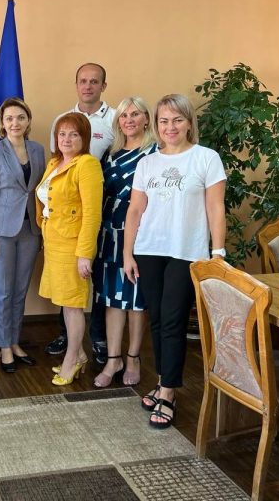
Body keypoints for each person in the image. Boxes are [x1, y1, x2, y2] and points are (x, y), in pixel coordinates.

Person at [123, 93, 226, 428]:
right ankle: (163, 380)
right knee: (156, 319)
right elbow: (135, 210)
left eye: (177, 120)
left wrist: (218, 253)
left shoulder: (206, 158)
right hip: (149, 250)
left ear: (189, 123)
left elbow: (215, 208)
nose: (170, 127)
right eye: (164, 121)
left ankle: (168, 392)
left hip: (187, 252)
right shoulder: (147, 163)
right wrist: (127, 253)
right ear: (156, 125)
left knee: (173, 320)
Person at [45, 62, 117, 365]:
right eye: (83, 81)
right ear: (76, 85)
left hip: (101, 209)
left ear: (103, 86)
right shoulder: (62, 120)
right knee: (69, 288)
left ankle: (96, 338)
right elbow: (57, 165)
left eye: (94, 81)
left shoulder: (115, 119)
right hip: (66, 219)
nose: (88, 86)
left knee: (95, 280)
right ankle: (70, 340)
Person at [92, 97, 157, 388]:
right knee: (112, 298)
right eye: (123, 115)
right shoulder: (111, 152)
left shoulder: (156, 152)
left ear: (146, 119)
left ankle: (133, 358)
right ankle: (113, 359)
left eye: (135, 114)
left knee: (136, 300)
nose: (129, 120)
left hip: (141, 232)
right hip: (109, 232)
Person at [0, 98, 45, 373]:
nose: (15, 123)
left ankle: (15, 341)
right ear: (2, 124)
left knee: (20, 290)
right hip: (1, 233)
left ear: (28, 121)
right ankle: (4, 345)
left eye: (20, 117)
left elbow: (41, 190)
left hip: (31, 230)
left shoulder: (38, 150)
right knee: (3, 291)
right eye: (9, 118)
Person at [36, 112, 103, 385]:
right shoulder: (55, 162)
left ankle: (72, 359)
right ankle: (80, 355)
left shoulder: (87, 165)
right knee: (65, 302)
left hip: (73, 246)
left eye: (74, 134)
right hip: (54, 242)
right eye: (62, 134)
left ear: (84, 138)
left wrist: (84, 254)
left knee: (73, 305)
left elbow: (92, 214)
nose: (66, 139)